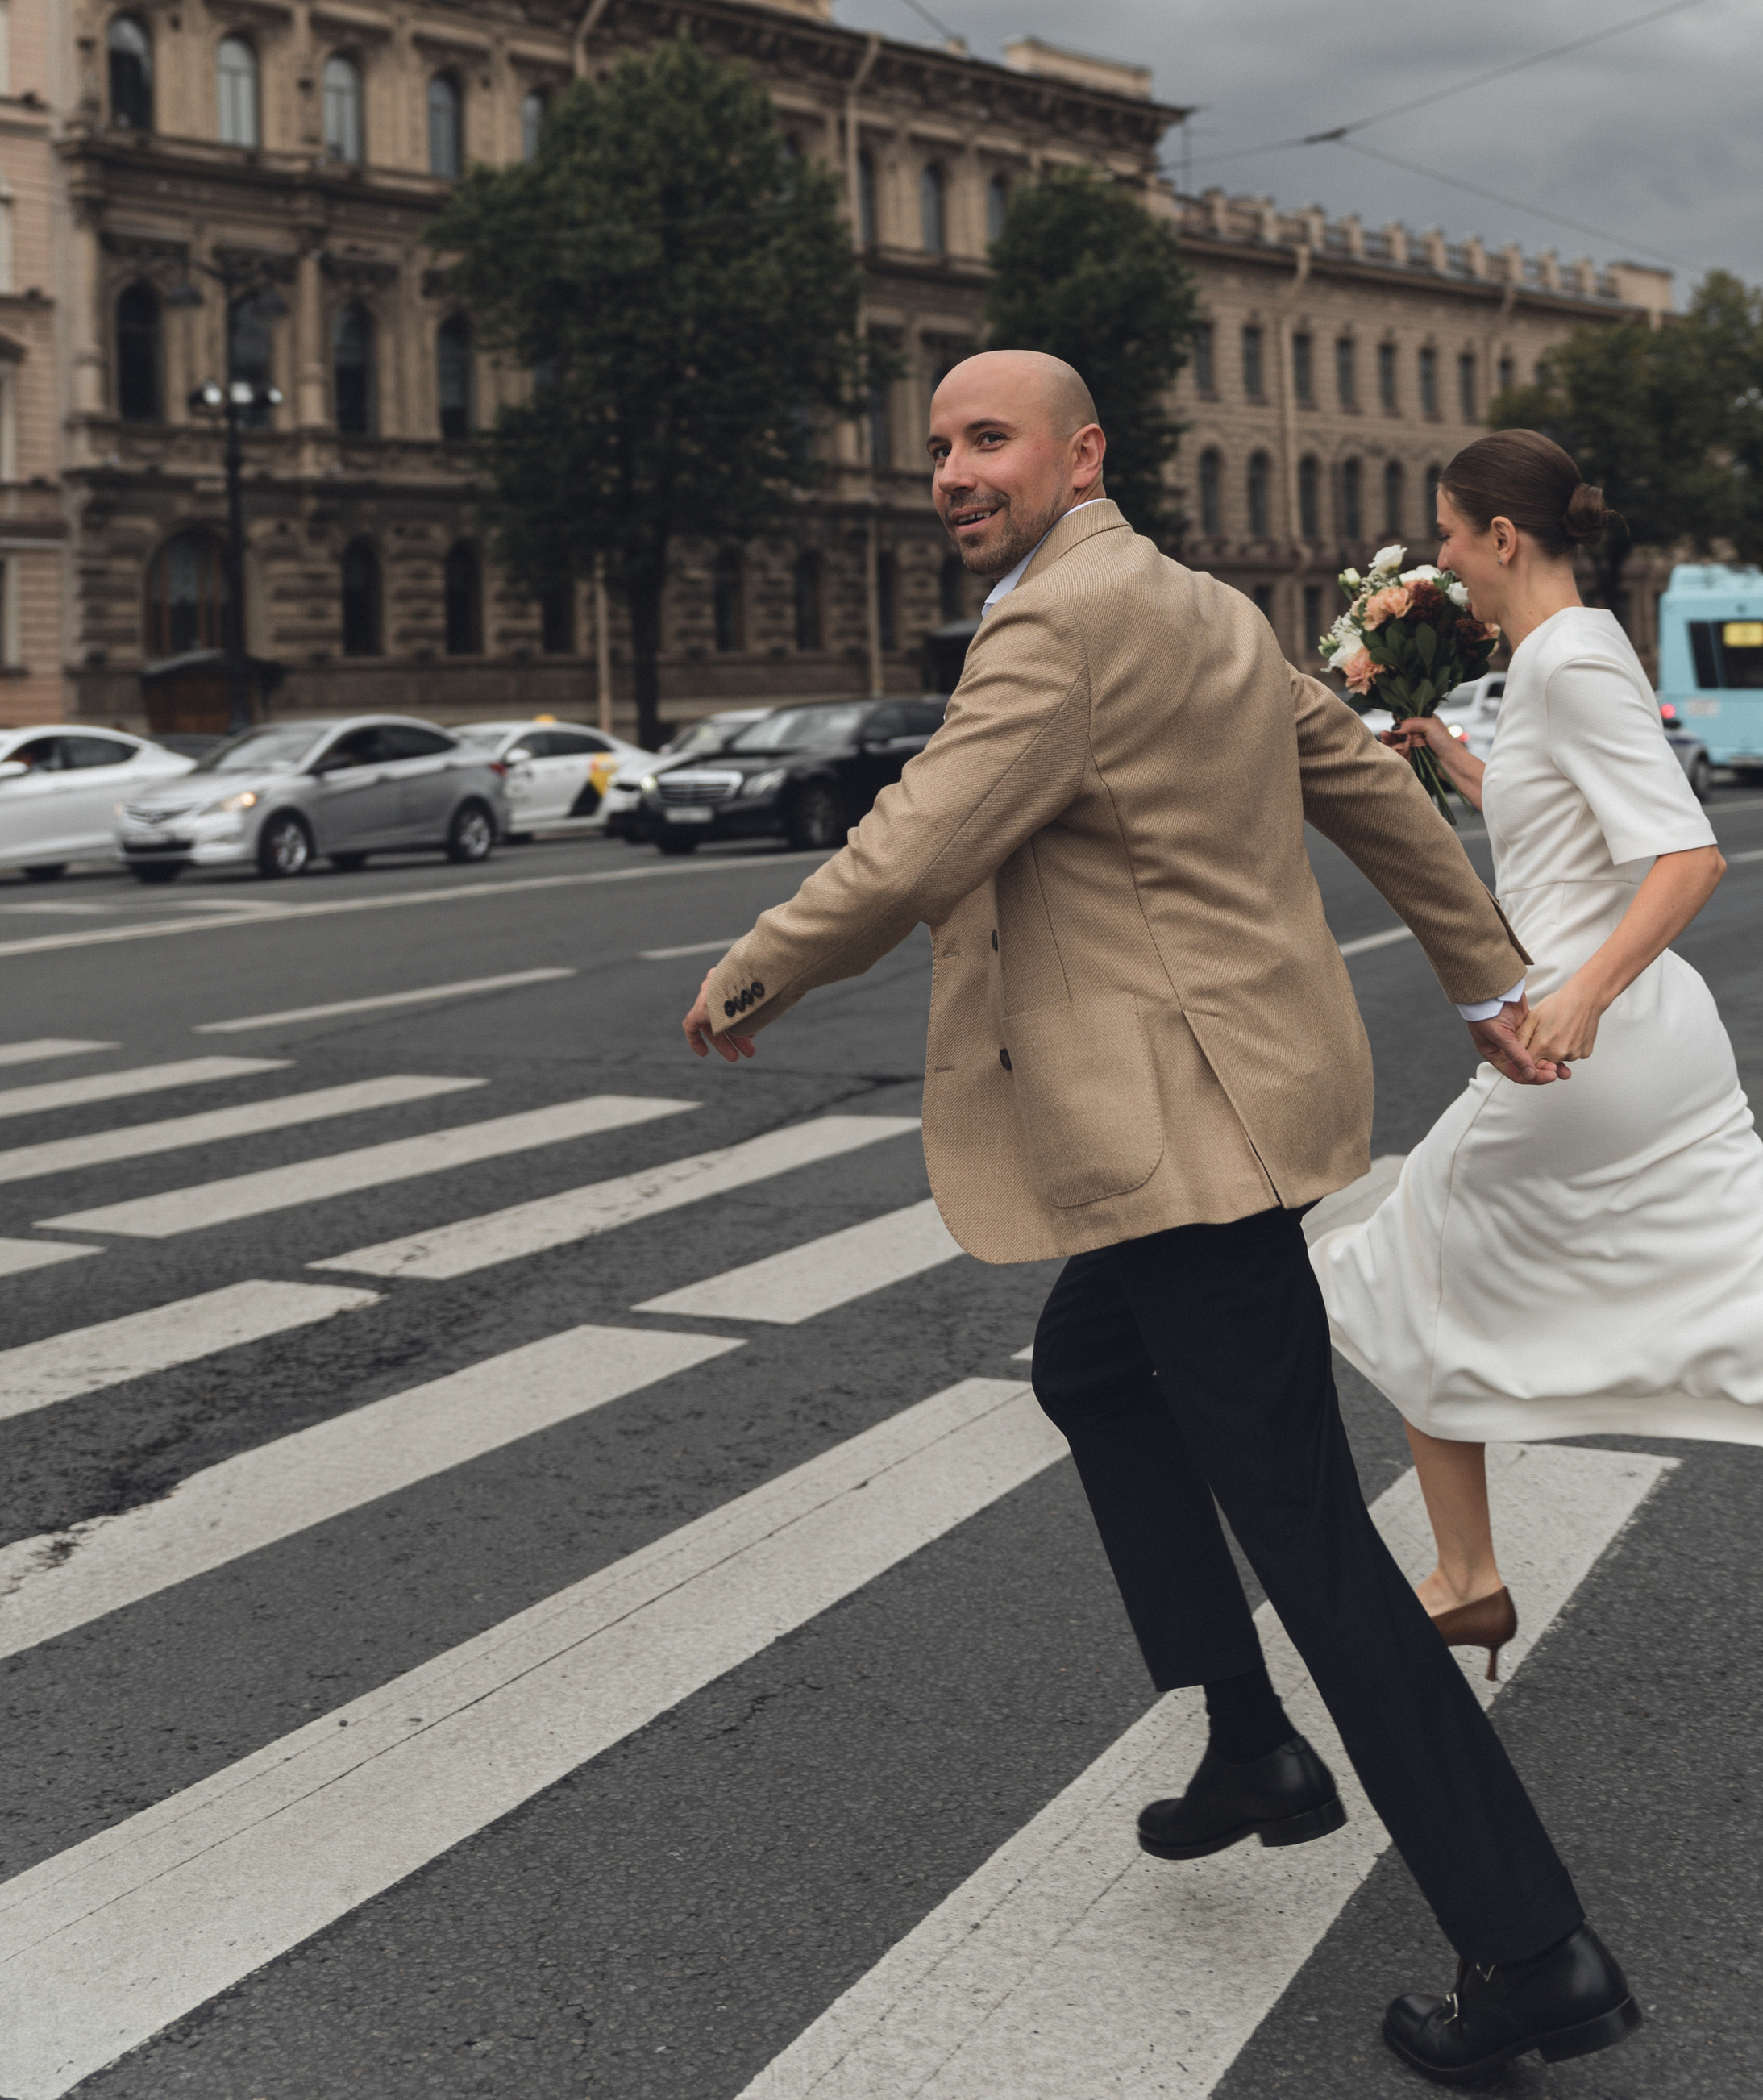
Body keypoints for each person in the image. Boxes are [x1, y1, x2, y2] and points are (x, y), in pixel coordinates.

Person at [683, 351, 1642, 2088]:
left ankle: (1529, 1946)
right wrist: (1484, 970)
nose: (951, 474)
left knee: (1312, 1540)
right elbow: (1363, 778)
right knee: (1093, 1378)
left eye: (986, 442)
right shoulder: (1196, 604)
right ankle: (1246, 1741)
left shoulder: (1055, 623)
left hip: (1172, 1140)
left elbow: (918, 839)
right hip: (1198, 1124)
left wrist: (759, 969)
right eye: (936, 451)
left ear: (1078, 453)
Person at [1314, 427, 1763, 1685]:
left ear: (1502, 538)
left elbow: (1688, 854)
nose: (1441, 558)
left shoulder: (1566, 661)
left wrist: (1581, 1002)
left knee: (1402, 1259)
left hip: (1588, 1047)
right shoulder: (1579, 647)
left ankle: (1467, 1575)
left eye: (1449, 533)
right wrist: (1448, 752)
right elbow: (1566, 819)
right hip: (1661, 1054)